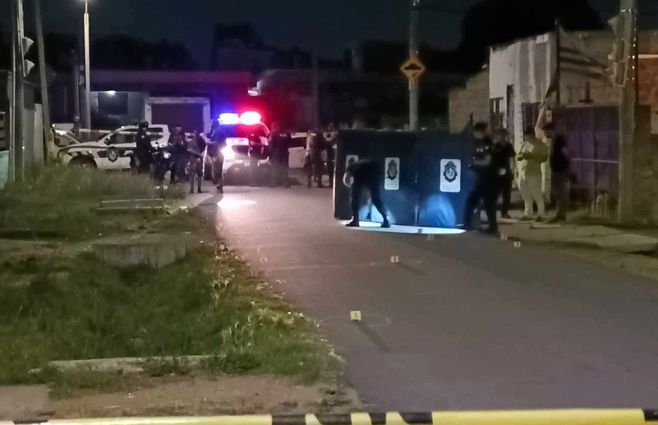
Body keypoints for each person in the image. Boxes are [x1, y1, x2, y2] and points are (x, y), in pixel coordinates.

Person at [463, 122, 499, 234]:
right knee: (478, 202)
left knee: (486, 203)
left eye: (475, 132)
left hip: (488, 178)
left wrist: (472, 163)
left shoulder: (486, 143)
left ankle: (491, 228)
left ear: (479, 131)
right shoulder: (480, 142)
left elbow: (487, 162)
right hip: (483, 178)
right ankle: (469, 224)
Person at [343, 158, 390, 228]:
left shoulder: (351, 168)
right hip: (375, 170)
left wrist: (351, 187)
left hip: (363, 173)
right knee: (376, 198)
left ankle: (355, 220)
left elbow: (346, 180)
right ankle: (386, 220)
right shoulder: (358, 165)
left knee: (354, 198)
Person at [517, 127, 549, 221]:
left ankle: (541, 214)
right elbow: (518, 155)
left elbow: (544, 158)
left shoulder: (540, 145)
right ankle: (528, 213)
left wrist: (532, 156)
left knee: (537, 193)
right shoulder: (525, 144)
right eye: (526, 135)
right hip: (523, 172)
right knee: (525, 194)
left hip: (534, 173)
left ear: (532, 134)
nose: (527, 137)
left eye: (529, 135)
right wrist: (522, 156)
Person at [544, 122, 570, 223]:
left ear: (551, 130)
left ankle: (561, 214)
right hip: (555, 169)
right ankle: (559, 212)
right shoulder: (553, 140)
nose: (545, 134)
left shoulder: (559, 140)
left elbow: (566, 152)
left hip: (561, 169)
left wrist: (566, 166)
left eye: (546, 131)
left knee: (560, 192)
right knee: (556, 191)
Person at [492, 128, 516, 219]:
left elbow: (512, 158)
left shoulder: (508, 146)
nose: (502, 137)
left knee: (507, 194)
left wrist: (513, 170)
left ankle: (504, 212)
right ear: (497, 136)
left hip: (506, 171)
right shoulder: (494, 146)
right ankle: (492, 211)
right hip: (496, 172)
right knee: (495, 193)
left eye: (504, 135)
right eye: (500, 135)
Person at [268, 122, 291, 187]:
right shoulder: (287, 133)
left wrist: (270, 153)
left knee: (274, 168)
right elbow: (290, 142)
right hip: (284, 153)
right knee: (284, 169)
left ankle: (273, 183)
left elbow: (271, 144)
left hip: (276, 154)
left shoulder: (273, 133)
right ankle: (286, 183)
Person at [207, 120, 226, 193]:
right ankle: (220, 186)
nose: (210, 125)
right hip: (218, 152)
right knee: (219, 170)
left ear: (214, 124)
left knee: (217, 170)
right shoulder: (217, 130)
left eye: (211, 124)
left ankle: (219, 186)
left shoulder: (218, 131)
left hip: (217, 152)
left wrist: (208, 142)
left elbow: (216, 142)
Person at [188, 130, 206, 194]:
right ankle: (193, 189)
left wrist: (201, 155)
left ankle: (196, 189)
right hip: (194, 159)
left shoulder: (201, 141)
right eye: (196, 133)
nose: (196, 134)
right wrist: (199, 154)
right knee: (194, 175)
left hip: (196, 159)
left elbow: (204, 149)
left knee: (198, 175)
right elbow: (189, 149)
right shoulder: (193, 142)